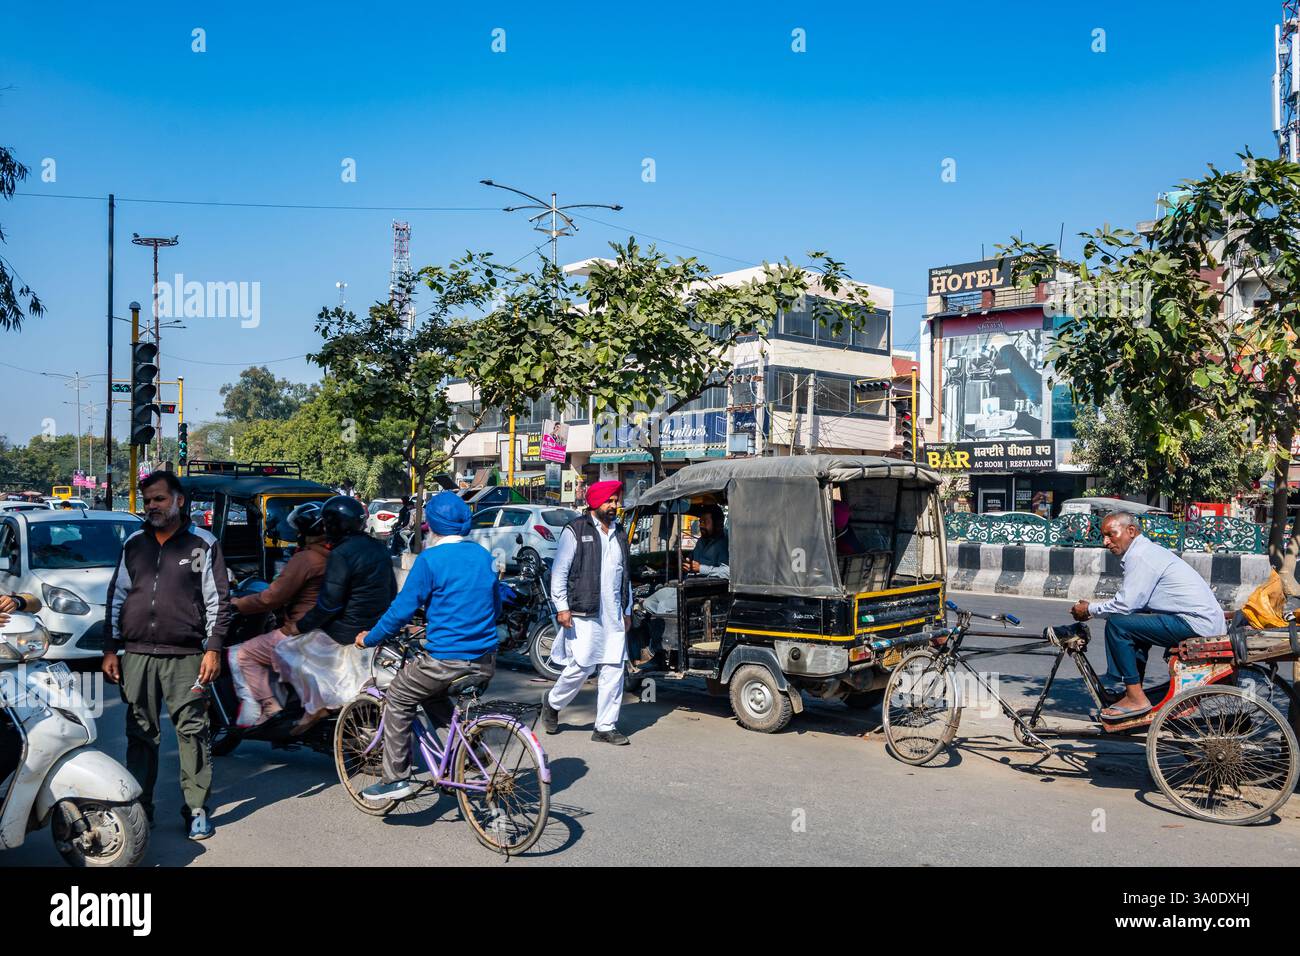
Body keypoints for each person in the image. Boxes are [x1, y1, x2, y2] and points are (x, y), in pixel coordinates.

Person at [103, 470, 231, 841]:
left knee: (193, 731)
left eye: (159, 499)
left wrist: (213, 648)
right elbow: (117, 598)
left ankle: (195, 809)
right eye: (148, 501)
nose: (152, 507)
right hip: (137, 655)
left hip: (187, 657)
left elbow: (218, 602)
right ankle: (140, 809)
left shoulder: (203, 544)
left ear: (179, 500)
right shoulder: (133, 545)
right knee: (140, 733)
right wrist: (110, 648)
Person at [353, 491, 506, 801]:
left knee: (398, 695)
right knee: (433, 694)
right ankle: (471, 753)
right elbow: (495, 607)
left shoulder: (430, 560)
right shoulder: (482, 556)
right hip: (486, 660)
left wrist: (370, 638)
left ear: (432, 525)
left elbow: (400, 611)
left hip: (446, 661)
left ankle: (396, 779)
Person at [1070, 511, 1224, 721]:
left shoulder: (1141, 556)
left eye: (1111, 534)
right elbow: (1135, 606)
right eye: (1103, 536)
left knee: (1118, 625)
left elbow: (1125, 605)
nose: (1106, 542)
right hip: (1199, 621)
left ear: (1131, 531)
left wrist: (1089, 610)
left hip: (1195, 624)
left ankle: (1135, 697)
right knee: (1134, 622)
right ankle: (1133, 690)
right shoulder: (1145, 552)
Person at [274, 495, 396, 734]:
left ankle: (315, 707)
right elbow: (391, 590)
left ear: (333, 525)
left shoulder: (341, 554)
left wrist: (299, 627)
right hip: (378, 625)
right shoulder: (379, 548)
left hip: (346, 630)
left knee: (284, 649)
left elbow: (329, 606)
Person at [541, 480, 632, 746]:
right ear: (596, 503)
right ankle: (553, 702)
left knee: (614, 668)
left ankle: (605, 726)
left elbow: (625, 575)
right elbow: (560, 571)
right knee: (582, 665)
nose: (615, 506)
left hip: (613, 613)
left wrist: (626, 609)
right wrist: (562, 607)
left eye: (616, 501)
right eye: (610, 501)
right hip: (583, 611)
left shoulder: (619, 533)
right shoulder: (575, 530)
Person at [229, 501, 330, 725]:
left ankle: (268, 706)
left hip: (301, 630)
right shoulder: (336, 556)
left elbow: (272, 597)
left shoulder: (306, 559)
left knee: (243, 653)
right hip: (326, 629)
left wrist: (238, 604)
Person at [685, 504, 729, 578]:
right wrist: (688, 561)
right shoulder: (701, 541)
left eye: (705, 522)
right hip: (691, 581)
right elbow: (694, 557)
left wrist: (701, 569)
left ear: (717, 523)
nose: (701, 525)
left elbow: (728, 572)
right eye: (700, 522)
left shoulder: (724, 543)